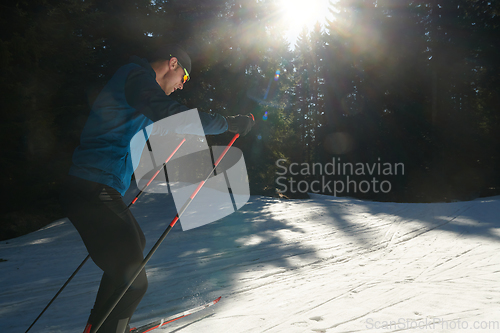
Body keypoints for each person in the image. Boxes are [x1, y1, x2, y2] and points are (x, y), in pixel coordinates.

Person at [61, 44, 254, 333]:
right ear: (173, 63)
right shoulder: (137, 78)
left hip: (97, 186)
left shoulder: (139, 92)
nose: (181, 86)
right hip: (90, 186)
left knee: (133, 249)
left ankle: (104, 326)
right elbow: (170, 114)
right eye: (184, 78)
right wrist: (225, 123)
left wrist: (194, 132)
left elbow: (164, 124)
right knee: (132, 276)